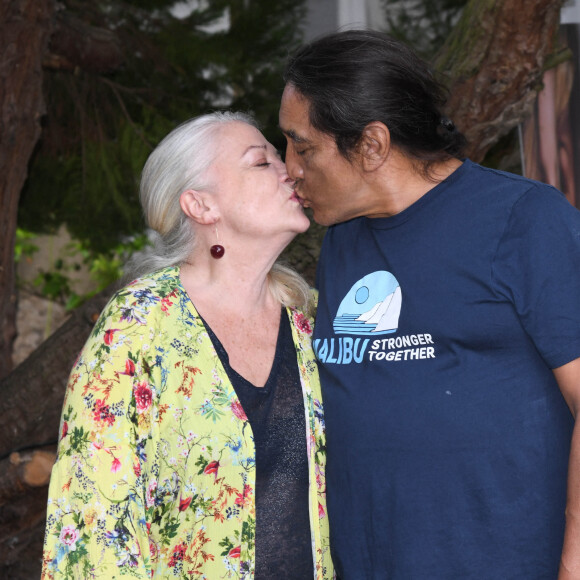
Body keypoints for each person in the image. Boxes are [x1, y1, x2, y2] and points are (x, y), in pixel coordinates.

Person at [279, 29, 580, 579]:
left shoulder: (524, 219)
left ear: (371, 144)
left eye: (303, 147)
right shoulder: (343, 238)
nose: (288, 166)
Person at [41, 112, 334, 579]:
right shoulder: (138, 326)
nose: (290, 170)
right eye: (261, 162)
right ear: (200, 206)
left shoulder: (313, 321)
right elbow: (91, 515)